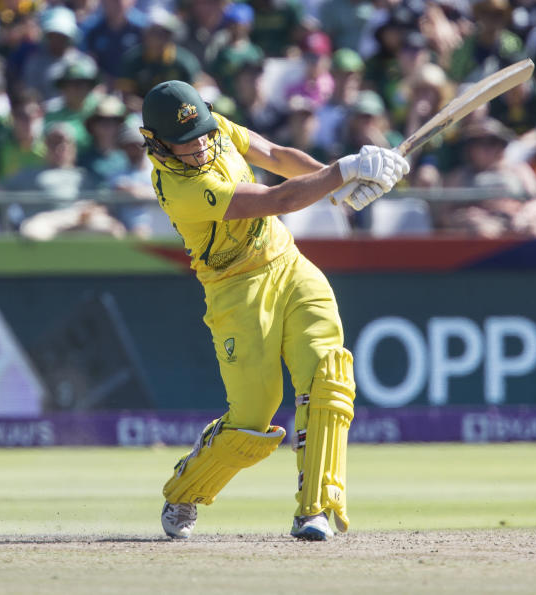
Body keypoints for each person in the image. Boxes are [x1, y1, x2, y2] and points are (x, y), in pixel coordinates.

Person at [139, 80, 408, 541]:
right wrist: (345, 169)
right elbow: (274, 199)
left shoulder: (213, 128)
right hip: (235, 291)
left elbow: (278, 156)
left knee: (328, 376)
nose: (201, 144)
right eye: (187, 141)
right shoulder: (179, 185)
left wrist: (338, 184)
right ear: (159, 144)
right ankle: (185, 490)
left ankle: (316, 509)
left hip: (289, 264)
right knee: (251, 420)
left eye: (202, 130)